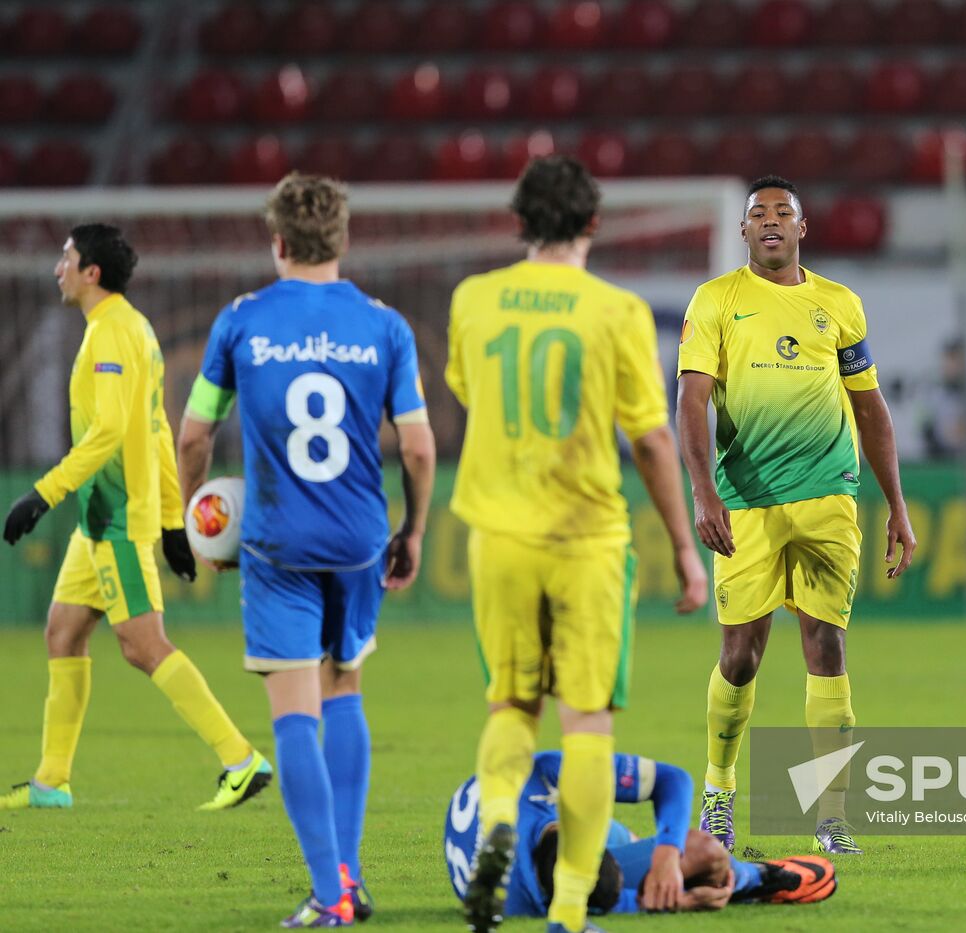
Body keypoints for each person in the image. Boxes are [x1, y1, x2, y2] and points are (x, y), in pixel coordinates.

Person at [444, 154, 708, 933]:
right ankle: (566, 909)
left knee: (511, 703)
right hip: (586, 536)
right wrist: (687, 548)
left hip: (497, 534)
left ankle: (498, 814)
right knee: (586, 720)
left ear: (520, 223)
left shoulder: (473, 300)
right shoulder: (616, 312)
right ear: (594, 223)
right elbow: (654, 442)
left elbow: (469, 390)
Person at [178, 173, 436, 927]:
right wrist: (412, 529)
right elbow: (418, 448)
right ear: (343, 241)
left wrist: (187, 515)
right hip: (358, 539)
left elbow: (194, 434)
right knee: (344, 685)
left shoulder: (242, 321)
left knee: (294, 711)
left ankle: (331, 897)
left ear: (278, 242)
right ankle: (349, 875)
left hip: (276, 542)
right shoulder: (384, 325)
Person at [677, 175, 916, 857]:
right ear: (744, 231)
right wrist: (703, 492)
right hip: (746, 500)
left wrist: (897, 505)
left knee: (827, 644)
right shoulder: (717, 300)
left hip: (829, 495)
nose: (771, 221)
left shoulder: (839, 304)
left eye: (784, 212)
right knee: (741, 654)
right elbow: (692, 402)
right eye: (759, 214)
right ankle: (719, 792)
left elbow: (870, 408)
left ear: (803, 229)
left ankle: (831, 814)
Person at [1, 224, 269, 814]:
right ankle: (51, 782)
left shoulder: (113, 334)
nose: (57, 269)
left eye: (66, 258)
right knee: (63, 632)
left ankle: (240, 758)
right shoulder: (129, 328)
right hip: (99, 520)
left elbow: (112, 432)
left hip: (116, 515)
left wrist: (43, 493)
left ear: (91, 271)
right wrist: (174, 521)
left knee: (143, 646)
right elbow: (155, 429)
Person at [443, 751, 837, 920]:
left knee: (673, 851)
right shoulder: (523, 898)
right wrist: (677, 902)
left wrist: (666, 853)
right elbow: (594, 904)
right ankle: (752, 880)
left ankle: (638, 850)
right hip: (537, 848)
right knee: (706, 854)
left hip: (538, 812)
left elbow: (673, 779)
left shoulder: (546, 771)